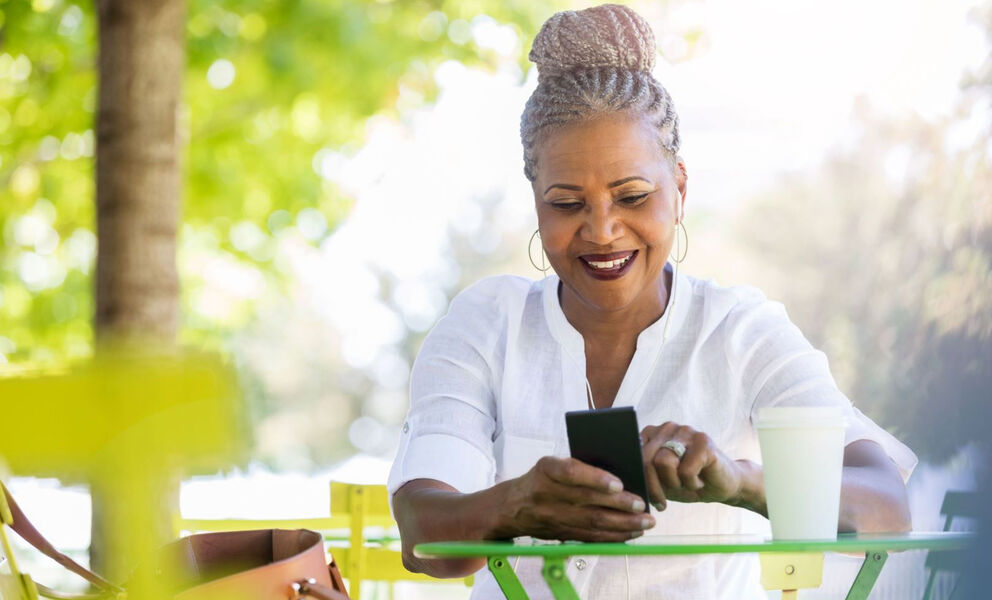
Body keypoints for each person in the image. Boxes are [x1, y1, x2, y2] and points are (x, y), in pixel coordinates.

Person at [388, 4, 916, 599]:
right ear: (534, 200)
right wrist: (515, 504)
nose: (602, 230)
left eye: (632, 195)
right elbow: (423, 535)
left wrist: (739, 481)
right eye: (565, 203)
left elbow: (887, 507)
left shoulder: (742, 333)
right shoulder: (487, 324)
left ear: (680, 188)